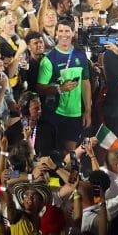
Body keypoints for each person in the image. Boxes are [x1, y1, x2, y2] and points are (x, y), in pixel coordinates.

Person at [35, 17, 92, 150]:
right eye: (60, 31)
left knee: (71, 153)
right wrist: (60, 88)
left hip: (76, 113)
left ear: (73, 33)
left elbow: (85, 83)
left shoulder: (81, 55)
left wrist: (88, 111)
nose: (63, 35)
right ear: (56, 34)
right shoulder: (49, 59)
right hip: (55, 113)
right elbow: (40, 88)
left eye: (67, 31)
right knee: (56, 152)